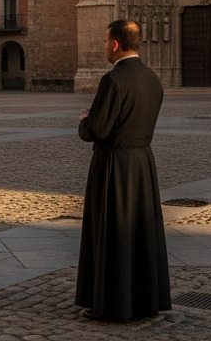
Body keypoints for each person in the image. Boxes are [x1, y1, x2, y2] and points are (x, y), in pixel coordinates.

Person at [75, 18, 171, 322]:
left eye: (105, 41)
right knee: (140, 233)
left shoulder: (113, 80)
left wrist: (85, 121)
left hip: (114, 167)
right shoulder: (153, 79)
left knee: (112, 233)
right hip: (142, 165)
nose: (104, 46)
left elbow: (98, 129)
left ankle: (111, 304)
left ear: (115, 44)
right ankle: (144, 302)